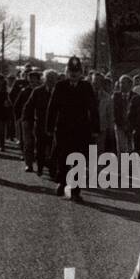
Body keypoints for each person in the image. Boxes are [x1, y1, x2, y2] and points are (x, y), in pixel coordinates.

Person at [46, 56, 100, 200]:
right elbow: (52, 108)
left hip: (81, 130)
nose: (74, 73)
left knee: (79, 159)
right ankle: (62, 182)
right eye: (71, 70)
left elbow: (93, 109)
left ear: (81, 72)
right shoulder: (60, 86)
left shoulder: (86, 87)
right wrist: (49, 127)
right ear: (67, 71)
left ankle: (76, 191)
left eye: (76, 71)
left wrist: (95, 129)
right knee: (62, 157)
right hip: (63, 128)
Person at [23, 70, 58, 179]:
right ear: (44, 80)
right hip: (40, 125)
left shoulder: (59, 92)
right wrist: (26, 120)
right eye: (48, 79)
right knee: (40, 147)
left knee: (54, 149)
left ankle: (53, 171)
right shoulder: (38, 91)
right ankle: (40, 167)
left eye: (53, 79)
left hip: (55, 126)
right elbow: (29, 106)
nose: (51, 81)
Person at [18, 70, 44, 174]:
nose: (32, 82)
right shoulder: (25, 91)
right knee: (28, 143)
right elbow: (18, 105)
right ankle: (28, 165)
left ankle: (41, 163)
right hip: (27, 120)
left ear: (39, 80)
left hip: (40, 121)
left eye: (35, 80)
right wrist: (21, 118)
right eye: (31, 80)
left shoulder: (43, 91)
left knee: (40, 144)